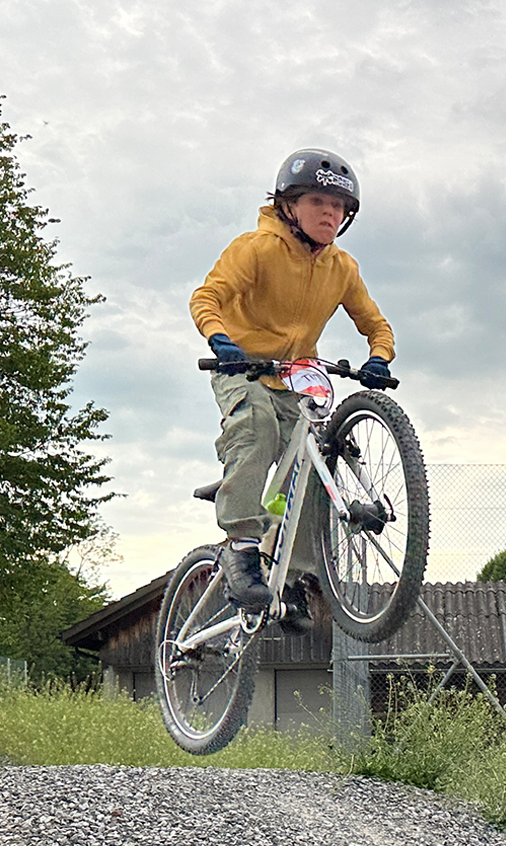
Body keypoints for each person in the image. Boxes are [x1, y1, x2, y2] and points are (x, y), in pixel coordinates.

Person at [190, 148, 396, 616]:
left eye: (338, 206)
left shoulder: (343, 268)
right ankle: (242, 547)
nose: (329, 213)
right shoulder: (255, 249)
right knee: (257, 426)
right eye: (317, 202)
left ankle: (293, 575)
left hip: (296, 377)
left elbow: (377, 326)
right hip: (242, 369)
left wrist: (379, 358)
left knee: (315, 464)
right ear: (288, 205)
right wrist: (220, 339)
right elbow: (207, 297)